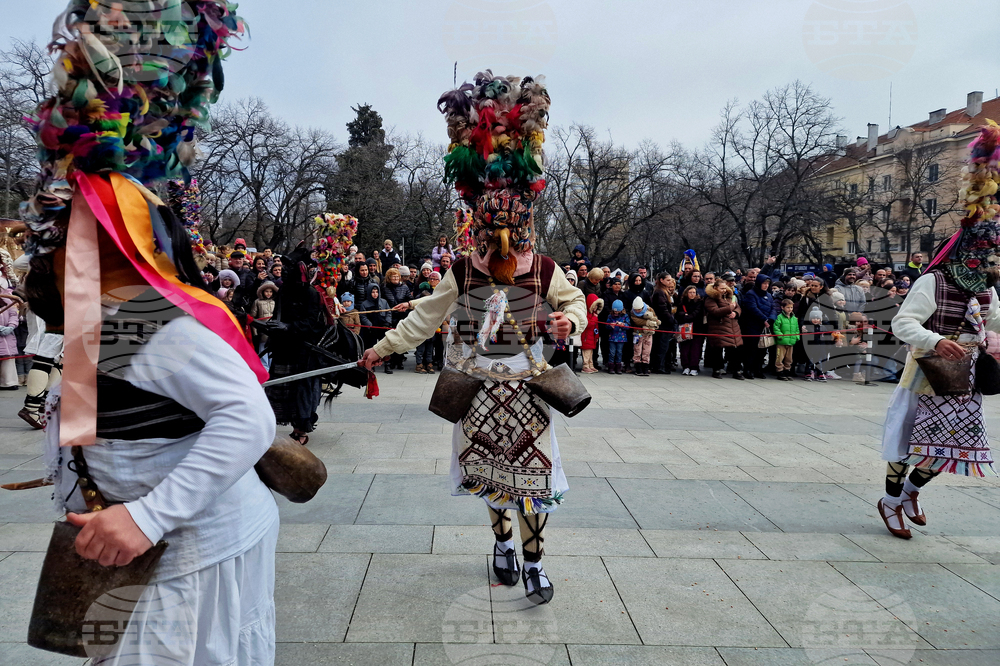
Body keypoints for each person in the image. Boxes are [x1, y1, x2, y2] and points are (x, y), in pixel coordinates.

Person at [362, 72, 584, 605]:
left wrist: (566, 322)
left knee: (532, 482)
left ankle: (533, 564)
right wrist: (381, 348)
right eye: (490, 234)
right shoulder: (462, 271)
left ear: (527, 227)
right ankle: (502, 546)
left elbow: (574, 301)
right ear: (478, 229)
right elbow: (423, 319)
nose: (501, 243)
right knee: (488, 476)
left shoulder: (545, 268)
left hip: (530, 391)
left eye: (511, 232)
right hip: (477, 391)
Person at [704, 276, 744, 379]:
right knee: (717, 349)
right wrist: (729, 308)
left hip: (733, 326)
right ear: (716, 288)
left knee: (736, 349)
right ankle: (717, 369)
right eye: (721, 288)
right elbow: (714, 311)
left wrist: (735, 313)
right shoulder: (710, 298)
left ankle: (736, 370)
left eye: (725, 288)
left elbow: (738, 307)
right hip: (719, 326)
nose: (724, 290)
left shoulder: (729, 296)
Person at [741, 273, 776, 379]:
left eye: (767, 283)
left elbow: (773, 308)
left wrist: (771, 319)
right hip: (753, 325)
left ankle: (758, 369)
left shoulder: (769, 295)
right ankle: (748, 369)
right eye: (764, 283)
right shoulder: (751, 294)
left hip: (765, 326)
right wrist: (764, 319)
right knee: (751, 349)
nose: (766, 285)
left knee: (762, 349)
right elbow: (752, 308)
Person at [382, 268, 411, 371]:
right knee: (390, 340)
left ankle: (399, 360)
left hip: (401, 316)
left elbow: (409, 301)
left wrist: (405, 309)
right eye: (393, 276)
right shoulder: (384, 288)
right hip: (389, 317)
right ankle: (389, 362)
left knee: (400, 339)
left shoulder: (404, 287)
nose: (395, 278)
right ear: (388, 278)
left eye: (397, 276)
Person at [359, 283, 392, 371]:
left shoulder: (383, 302)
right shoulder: (365, 304)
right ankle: (371, 364)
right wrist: (370, 325)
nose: (375, 294)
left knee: (385, 345)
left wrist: (387, 322)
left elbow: (389, 312)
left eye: (377, 292)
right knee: (371, 346)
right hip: (371, 329)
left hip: (382, 327)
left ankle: (387, 364)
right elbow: (363, 316)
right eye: (373, 292)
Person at [650, 273, 677, 374]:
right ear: (661, 280)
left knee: (663, 345)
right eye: (668, 280)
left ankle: (660, 365)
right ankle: (658, 366)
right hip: (664, 323)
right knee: (661, 346)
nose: (670, 282)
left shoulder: (663, 292)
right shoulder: (660, 292)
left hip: (664, 322)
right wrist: (671, 320)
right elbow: (663, 309)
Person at [676, 285, 704, 375]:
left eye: (694, 292)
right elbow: (678, 314)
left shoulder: (700, 302)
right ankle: (686, 366)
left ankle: (694, 367)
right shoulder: (682, 302)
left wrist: (687, 316)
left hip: (697, 328)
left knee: (695, 349)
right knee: (684, 349)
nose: (692, 294)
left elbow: (697, 313)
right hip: (685, 329)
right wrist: (685, 316)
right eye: (690, 292)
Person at [629, 295, 659, 377]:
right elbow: (637, 321)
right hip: (638, 333)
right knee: (637, 350)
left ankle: (645, 366)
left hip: (648, 333)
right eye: (636, 310)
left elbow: (654, 317)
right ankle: (638, 366)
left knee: (647, 350)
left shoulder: (649, 309)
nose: (638, 311)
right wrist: (647, 322)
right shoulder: (632, 312)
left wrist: (654, 322)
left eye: (639, 309)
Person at [773, 299, 800, 381]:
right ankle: (780, 371)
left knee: (789, 358)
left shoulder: (794, 318)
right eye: (788, 307)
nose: (790, 309)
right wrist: (780, 335)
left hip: (791, 341)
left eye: (791, 307)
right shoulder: (779, 317)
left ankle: (787, 370)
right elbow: (776, 327)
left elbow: (797, 328)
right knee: (780, 357)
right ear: (782, 307)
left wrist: (797, 336)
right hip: (782, 341)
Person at [580, 293, 602, 374]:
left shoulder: (593, 314)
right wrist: (595, 318)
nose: (596, 307)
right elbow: (588, 324)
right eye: (595, 305)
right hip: (586, 337)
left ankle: (590, 365)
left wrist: (596, 336)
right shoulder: (587, 314)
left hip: (592, 337)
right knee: (586, 352)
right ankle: (585, 366)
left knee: (590, 352)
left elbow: (596, 327)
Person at [606, 299, 630, 374]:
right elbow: (606, 325)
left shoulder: (625, 316)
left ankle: (618, 367)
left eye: (617, 311)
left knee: (619, 352)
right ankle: (611, 367)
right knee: (612, 352)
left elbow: (628, 326)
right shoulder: (610, 316)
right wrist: (610, 326)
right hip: (612, 337)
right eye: (615, 311)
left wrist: (623, 325)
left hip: (621, 338)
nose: (616, 312)